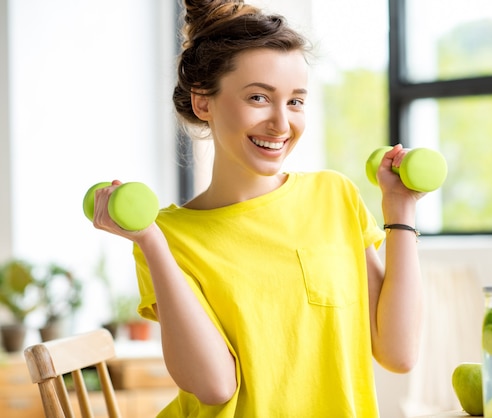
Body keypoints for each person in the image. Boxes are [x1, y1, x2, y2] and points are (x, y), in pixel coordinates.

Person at [91, 0, 426, 416]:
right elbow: (214, 387)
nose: (282, 124)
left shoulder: (334, 197)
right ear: (203, 103)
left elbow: (398, 353)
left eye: (296, 101)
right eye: (258, 97)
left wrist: (400, 208)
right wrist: (151, 243)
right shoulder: (167, 236)